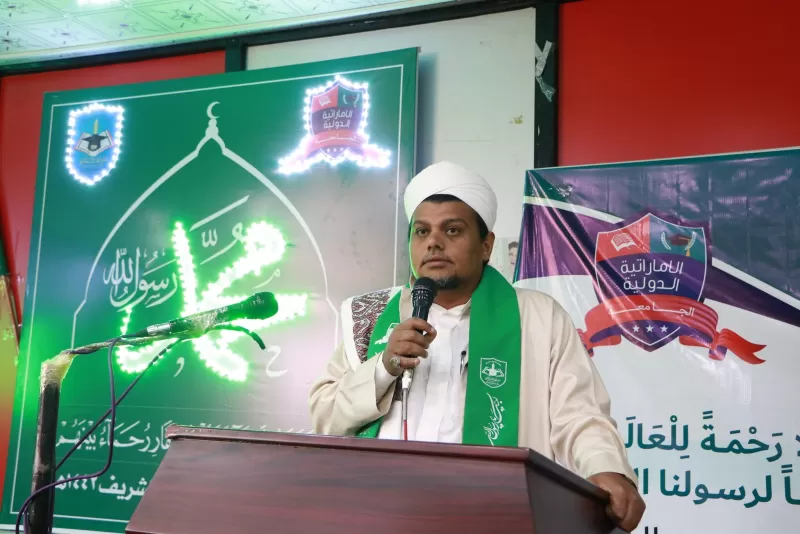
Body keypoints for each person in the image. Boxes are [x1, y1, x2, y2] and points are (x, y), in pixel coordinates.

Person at [309, 161, 645, 531]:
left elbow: (579, 414)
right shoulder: (368, 315)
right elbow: (325, 416)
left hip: (492, 515)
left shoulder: (538, 316)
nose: (434, 242)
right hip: (381, 515)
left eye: (452, 230)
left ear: (486, 245)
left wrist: (606, 468)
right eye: (422, 231)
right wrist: (382, 368)